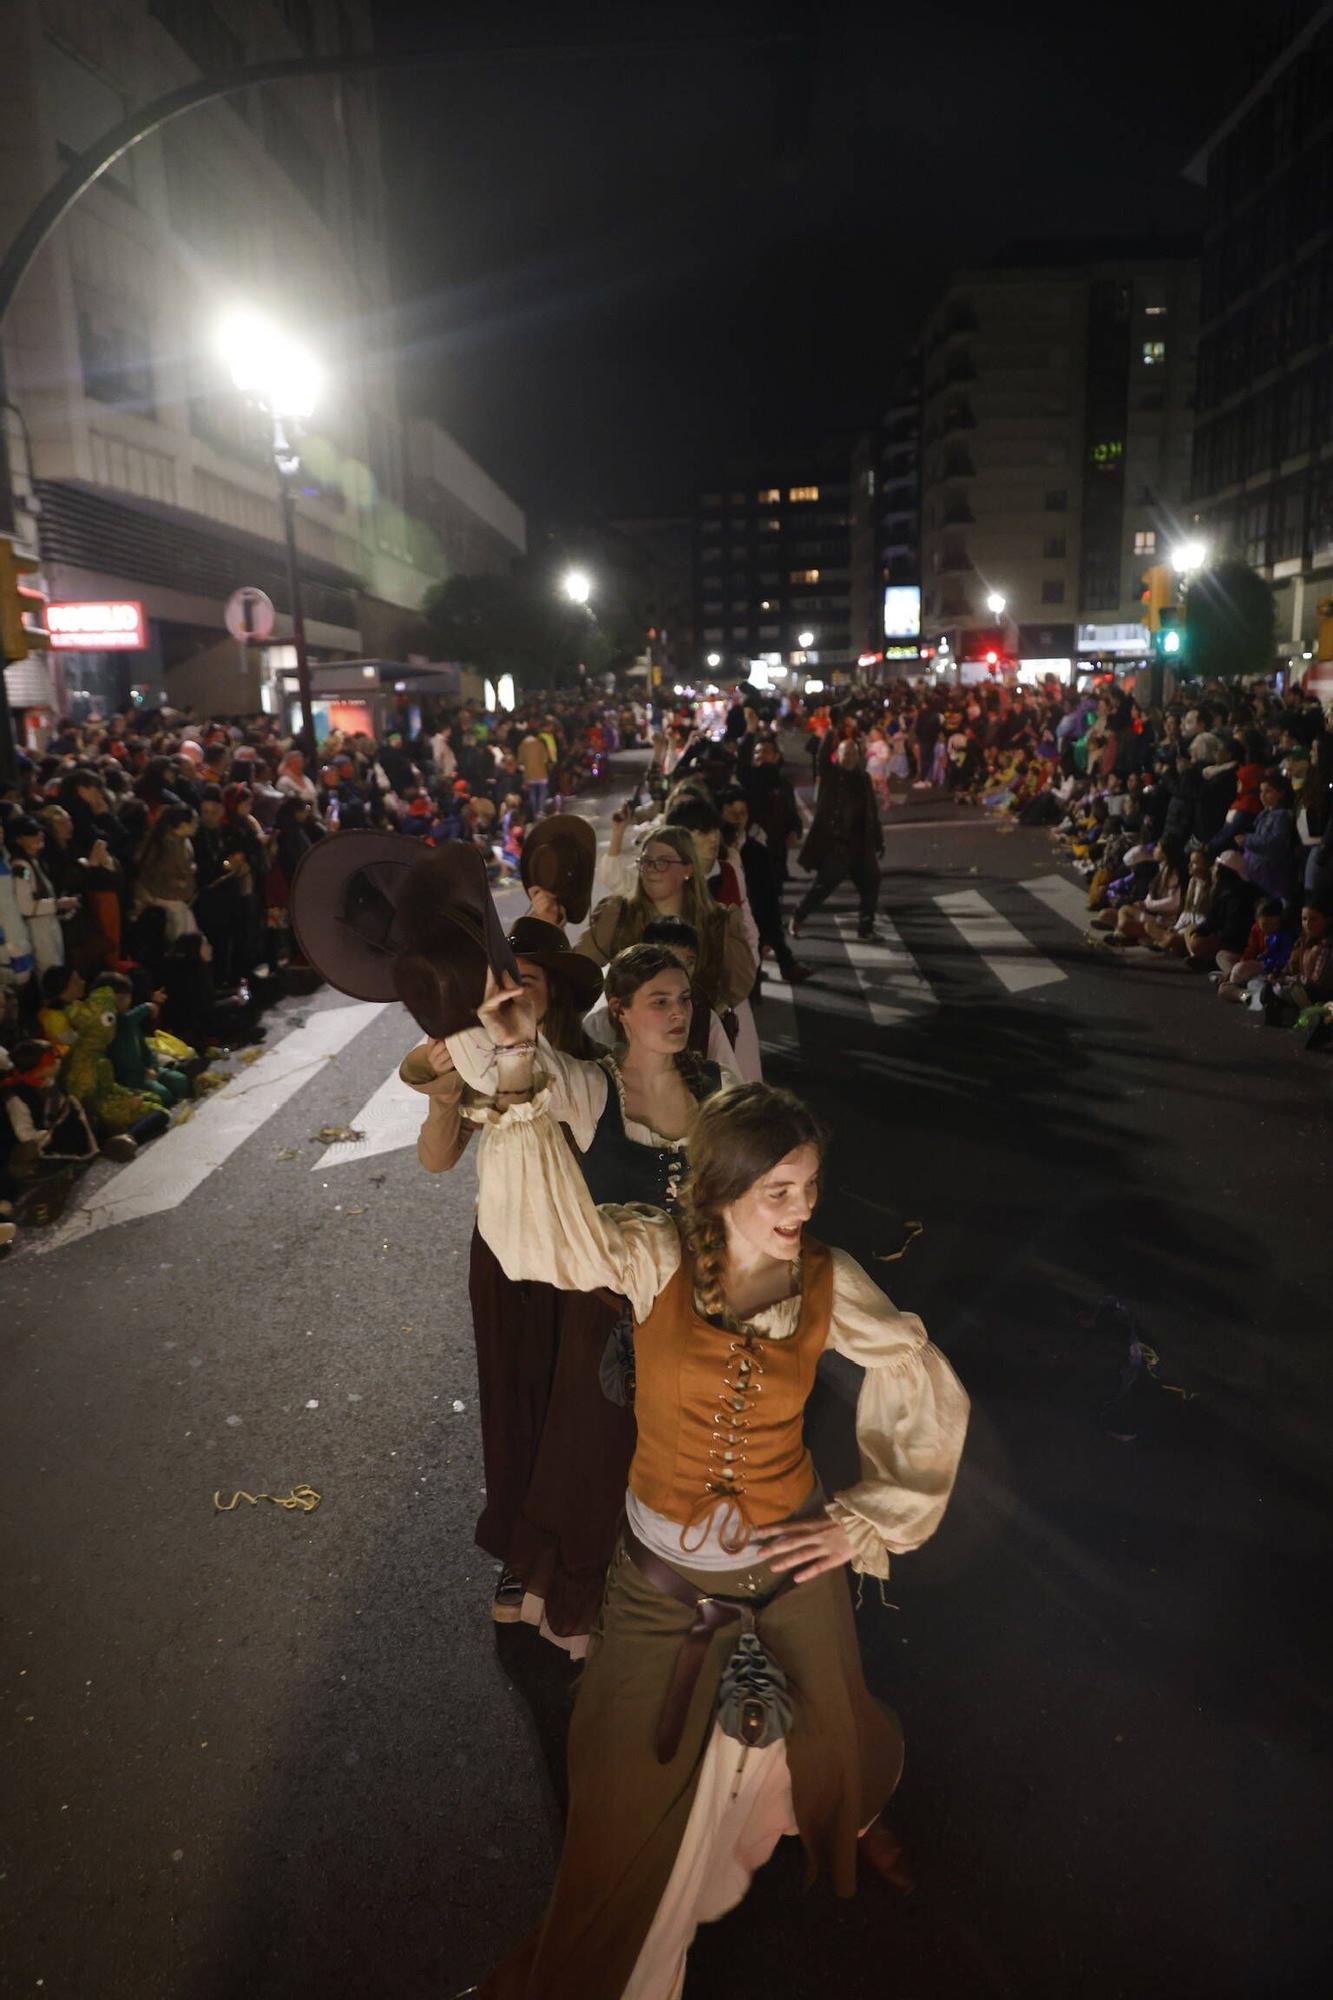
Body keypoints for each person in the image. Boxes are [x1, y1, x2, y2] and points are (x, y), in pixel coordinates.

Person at [457, 975, 969, 1999]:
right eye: (777, 1190)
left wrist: (863, 1520)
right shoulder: (653, 1253)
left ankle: (852, 1816)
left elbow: (914, 1367)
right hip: (663, 1578)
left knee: (833, 1726)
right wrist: (515, 1069)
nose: (801, 1209)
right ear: (718, 1189)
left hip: (790, 1565)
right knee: (619, 1810)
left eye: (809, 1186)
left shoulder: (825, 1275)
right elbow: (540, 1239)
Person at [437, 939, 737, 1651]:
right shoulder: (590, 1086)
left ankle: (675, 1602)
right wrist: (509, 1040)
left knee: (683, 1458)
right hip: (605, 1317)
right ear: (622, 1012)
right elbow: (505, 1076)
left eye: (684, 999)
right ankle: (590, 1608)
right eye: (658, 1001)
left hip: (692, 1310)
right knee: (597, 1457)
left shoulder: (717, 1087)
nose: (676, 1013)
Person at [576, 826, 756, 1022]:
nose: (651, 869)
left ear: (688, 868)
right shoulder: (619, 914)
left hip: (695, 1038)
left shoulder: (718, 921)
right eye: (646, 862)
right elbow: (579, 966)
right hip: (630, 1041)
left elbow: (739, 983)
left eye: (662, 862)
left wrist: (707, 1015)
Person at [583, 916, 734, 1068]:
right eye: (661, 1002)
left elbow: (731, 1081)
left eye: (689, 961)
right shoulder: (600, 1023)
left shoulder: (704, 1017)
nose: (679, 1013)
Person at [790, 738, 885, 941]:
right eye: (845, 753)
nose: (850, 757)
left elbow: (871, 812)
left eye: (853, 753)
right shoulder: (831, 776)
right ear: (838, 756)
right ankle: (799, 915)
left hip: (861, 844)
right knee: (823, 887)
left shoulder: (863, 778)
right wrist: (830, 731)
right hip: (838, 845)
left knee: (872, 882)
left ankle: (866, 927)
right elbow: (821, 760)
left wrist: (878, 839)